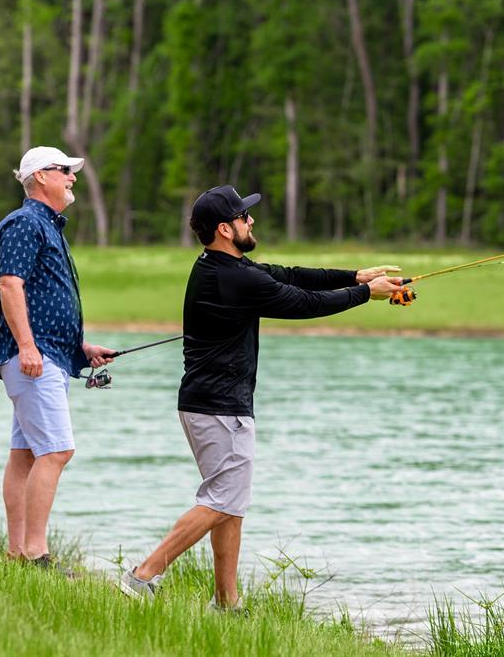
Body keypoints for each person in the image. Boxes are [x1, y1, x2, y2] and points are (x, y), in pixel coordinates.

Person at [118, 184, 403, 605]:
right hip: (220, 408)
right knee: (221, 500)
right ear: (224, 229)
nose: (251, 220)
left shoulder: (223, 267)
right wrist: (365, 295)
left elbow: (287, 275)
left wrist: (356, 276)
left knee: (230, 502)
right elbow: (304, 302)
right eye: (243, 216)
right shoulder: (233, 278)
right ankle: (142, 576)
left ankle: (227, 602)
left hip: (207, 404)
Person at [0, 146, 115, 567]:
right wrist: (27, 346)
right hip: (33, 359)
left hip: (48, 356)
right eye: (65, 171)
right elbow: (10, 285)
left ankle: (16, 553)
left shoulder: (47, 226)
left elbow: (42, 299)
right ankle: (37, 553)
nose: (72, 178)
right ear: (41, 177)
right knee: (57, 451)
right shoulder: (25, 223)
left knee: (25, 455)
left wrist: (81, 348)